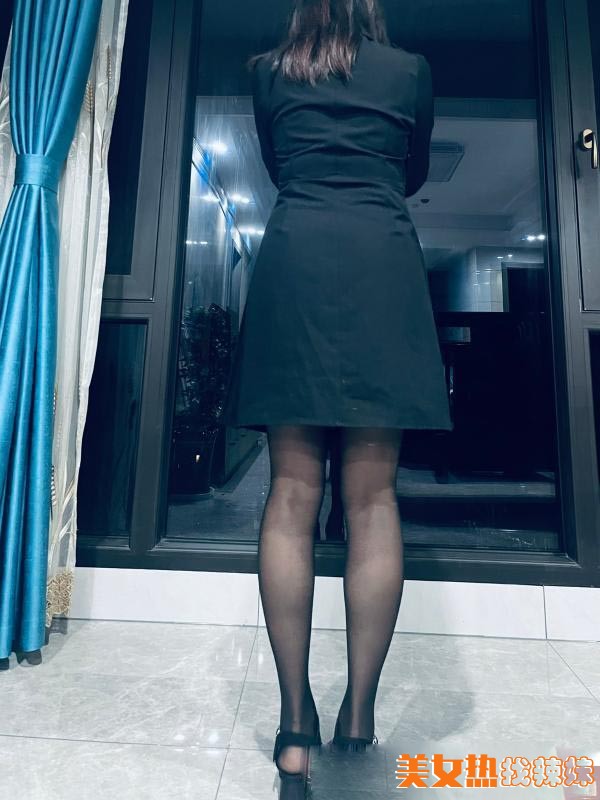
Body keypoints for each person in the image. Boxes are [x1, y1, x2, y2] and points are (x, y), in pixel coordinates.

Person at [221, 0, 453, 796]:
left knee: (291, 493)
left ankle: (295, 730)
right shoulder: (410, 72)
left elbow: (279, 168)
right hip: (381, 263)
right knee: (373, 499)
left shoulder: (268, 74)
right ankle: (358, 716)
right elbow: (412, 173)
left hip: (296, 261)